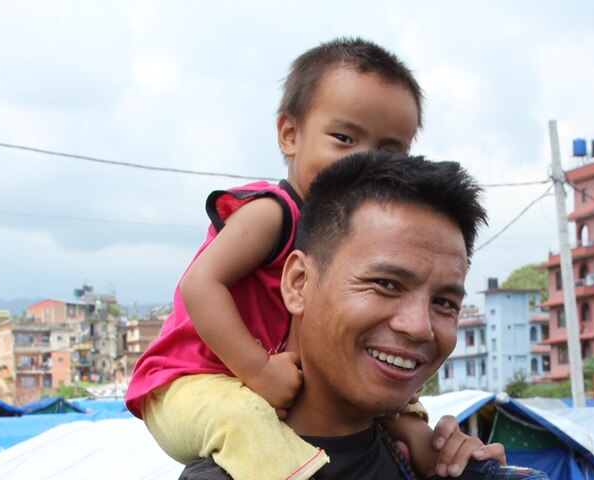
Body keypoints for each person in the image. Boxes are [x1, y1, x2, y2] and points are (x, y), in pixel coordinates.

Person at [125, 38, 499, 479]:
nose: (365, 160)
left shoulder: (355, 229)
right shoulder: (272, 211)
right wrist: (260, 371)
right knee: (246, 421)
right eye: (344, 138)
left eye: (388, 150)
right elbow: (200, 285)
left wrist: (445, 458)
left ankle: (420, 441)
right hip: (195, 380)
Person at [181, 151, 550, 479]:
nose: (420, 327)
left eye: (444, 303)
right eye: (387, 284)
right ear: (298, 283)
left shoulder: (432, 463)